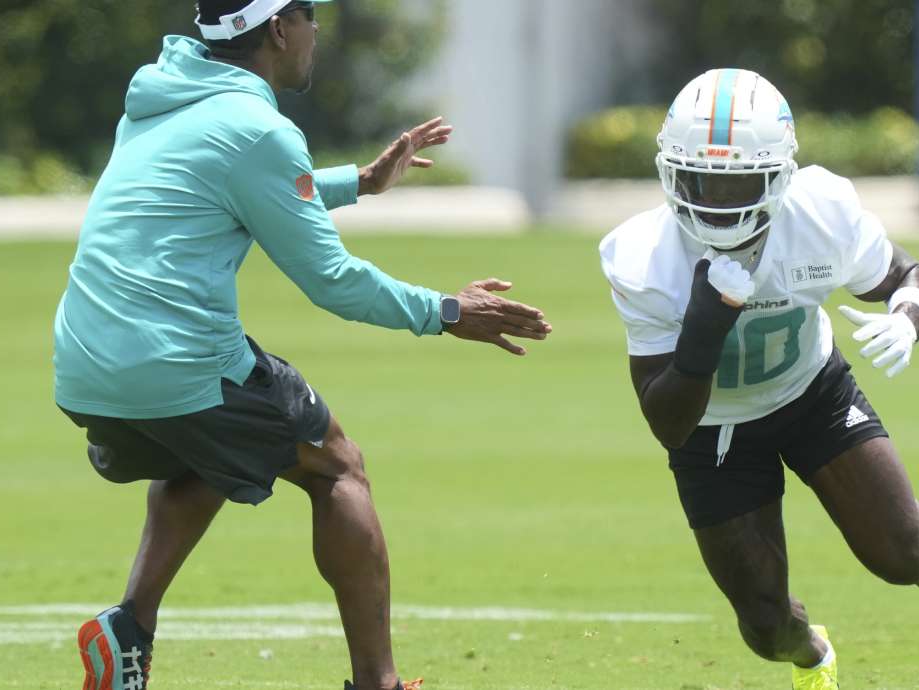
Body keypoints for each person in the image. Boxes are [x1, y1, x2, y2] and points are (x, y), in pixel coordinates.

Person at [55, 2, 552, 689]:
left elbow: (244, 185)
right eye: (309, 13)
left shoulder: (160, 94)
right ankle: (378, 683)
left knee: (208, 452)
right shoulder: (259, 128)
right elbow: (335, 282)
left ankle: (128, 631)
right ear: (279, 30)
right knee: (336, 465)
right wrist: (446, 310)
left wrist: (361, 183)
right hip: (172, 362)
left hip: (84, 365)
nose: (317, 28)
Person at [598, 68, 919, 689]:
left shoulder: (822, 212)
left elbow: (908, 275)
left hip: (812, 393)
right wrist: (705, 327)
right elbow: (668, 422)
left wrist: (908, 318)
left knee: (905, 560)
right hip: (712, 434)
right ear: (671, 173)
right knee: (766, 628)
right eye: (701, 180)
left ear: (780, 176)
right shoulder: (641, 256)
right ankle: (814, 654)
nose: (717, 199)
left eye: (738, 180)